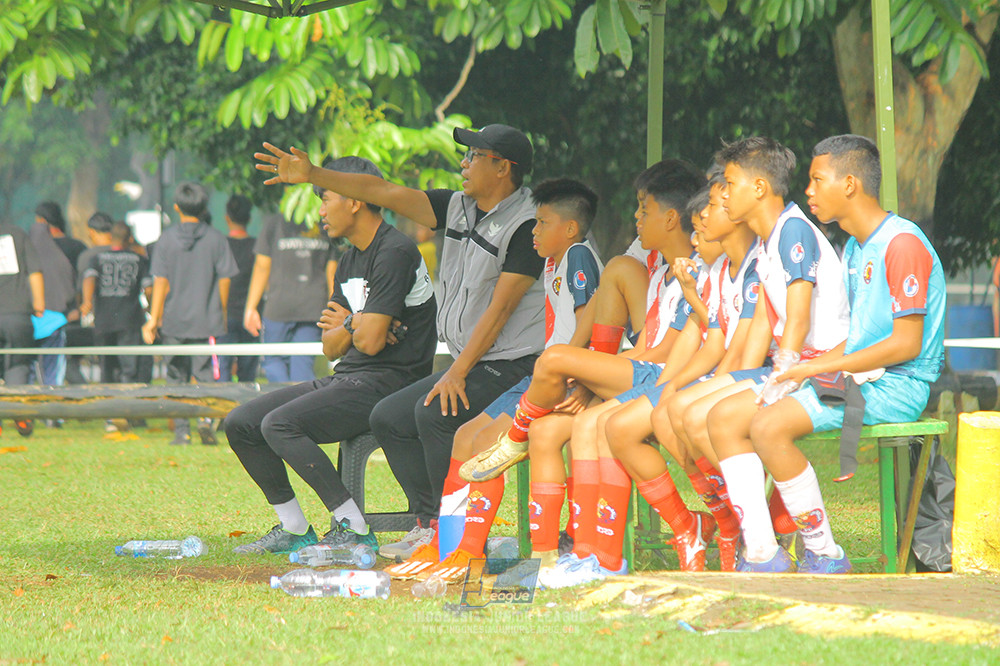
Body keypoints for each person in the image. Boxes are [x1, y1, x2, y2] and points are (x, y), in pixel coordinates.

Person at [256, 123, 547, 544]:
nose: (463, 164)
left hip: (514, 364)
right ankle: (429, 524)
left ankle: (456, 531)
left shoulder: (525, 223)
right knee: (389, 416)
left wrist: (457, 371)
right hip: (475, 360)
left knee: (434, 413)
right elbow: (384, 192)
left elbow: (500, 310)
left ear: (502, 167)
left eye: (473, 157)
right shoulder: (457, 207)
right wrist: (314, 174)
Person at [712, 135, 945, 574]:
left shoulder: (901, 244)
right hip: (856, 374)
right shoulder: (856, 247)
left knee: (767, 425)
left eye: (818, 180)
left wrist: (816, 366)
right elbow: (857, 339)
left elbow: (905, 345)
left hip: (898, 384)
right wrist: (804, 370)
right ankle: (763, 553)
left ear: (851, 184)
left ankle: (824, 552)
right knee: (727, 417)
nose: (809, 191)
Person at [383, 178, 602, 581]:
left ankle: (470, 551)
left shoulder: (579, 258)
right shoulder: (556, 260)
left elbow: (596, 319)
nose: (533, 232)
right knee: (466, 435)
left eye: (541, 223)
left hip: (565, 379)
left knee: (485, 444)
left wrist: (582, 378)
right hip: (545, 375)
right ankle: (449, 544)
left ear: (570, 228)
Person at [227, 156, 437, 555]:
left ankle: (352, 526)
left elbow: (371, 344)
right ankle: (293, 525)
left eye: (326, 199)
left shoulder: (395, 251)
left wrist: (353, 324)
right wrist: (362, 323)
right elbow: (331, 345)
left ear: (355, 200)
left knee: (280, 424)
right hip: (348, 377)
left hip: (391, 384)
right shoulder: (348, 257)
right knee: (242, 422)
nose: (321, 211)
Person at [459, 159, 705, 484]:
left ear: (672, 218)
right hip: (645, 371)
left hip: (677, 379)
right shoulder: (661, 273)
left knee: (560, 362)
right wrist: (585, 373)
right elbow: (647, 346)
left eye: (644, 210)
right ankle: (579, 535)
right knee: (552, 428)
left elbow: (663, 354)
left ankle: (517, 438)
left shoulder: (694, 272)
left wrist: (584, 372)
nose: (636, 217)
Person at [603, 172, 760, 574]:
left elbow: (738, 347)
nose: (699, 226)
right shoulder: (711, 270)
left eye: (707, 212)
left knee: (667, 413)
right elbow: (710, 337)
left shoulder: (756, 263)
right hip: (715, 374)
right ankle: (699, 525)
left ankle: (737, 525)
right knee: (622, 425)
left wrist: (693, 388)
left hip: (763, 378)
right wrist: (670, 385)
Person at [142, 182, 238, 445]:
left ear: (176, 207)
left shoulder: (166, 240)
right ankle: (206, 421)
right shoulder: (217, 239)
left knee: (175, 375)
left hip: (173, 320)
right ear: (204, 207)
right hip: (206, 321)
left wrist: (154, 318)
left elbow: (159, 281)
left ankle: (181, 431)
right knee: (205, 373)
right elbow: (225, 279)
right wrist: (221, 311)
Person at [243, 209, 338, 383]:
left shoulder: (275, 222)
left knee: (272, 361)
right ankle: (298, 405)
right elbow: (331, 273)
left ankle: (282, 402)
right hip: (313, 307)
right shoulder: (324, 224)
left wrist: (251, 308)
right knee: (302, 363)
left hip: (279, 307)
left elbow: (262, 266)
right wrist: (335, 310)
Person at [80, 221, 152, 394]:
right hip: (130, 320)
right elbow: (148, 288)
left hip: (104, 320)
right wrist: (149, 307)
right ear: (130, 239)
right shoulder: (139, 260)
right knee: (129, 367)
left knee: (107, 367)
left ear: (111, 237)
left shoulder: (96, 258)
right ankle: (127, 406)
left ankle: (110, 409)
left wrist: (87, 301)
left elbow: (89, 278)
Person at [0, 219, 45, 437]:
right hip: (17, 314)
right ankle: (21, 417)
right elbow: (35, 272)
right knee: (18, 364)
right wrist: (39, 303)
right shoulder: (17, 234)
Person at [30, 202, 78, 387]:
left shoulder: (29, 253)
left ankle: (25, 412)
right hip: (56, 320)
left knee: (29, 368)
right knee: (53, 369)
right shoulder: (63, 255)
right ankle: (54, 412)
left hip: (30, 321)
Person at [217, 195, 260, 383]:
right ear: (249, 219)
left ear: (227, 218)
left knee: (222, 365)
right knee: (248, 371)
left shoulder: (220, 246)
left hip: (224, 314)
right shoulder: (257, 247)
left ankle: (223, 411)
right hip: (252, 315)